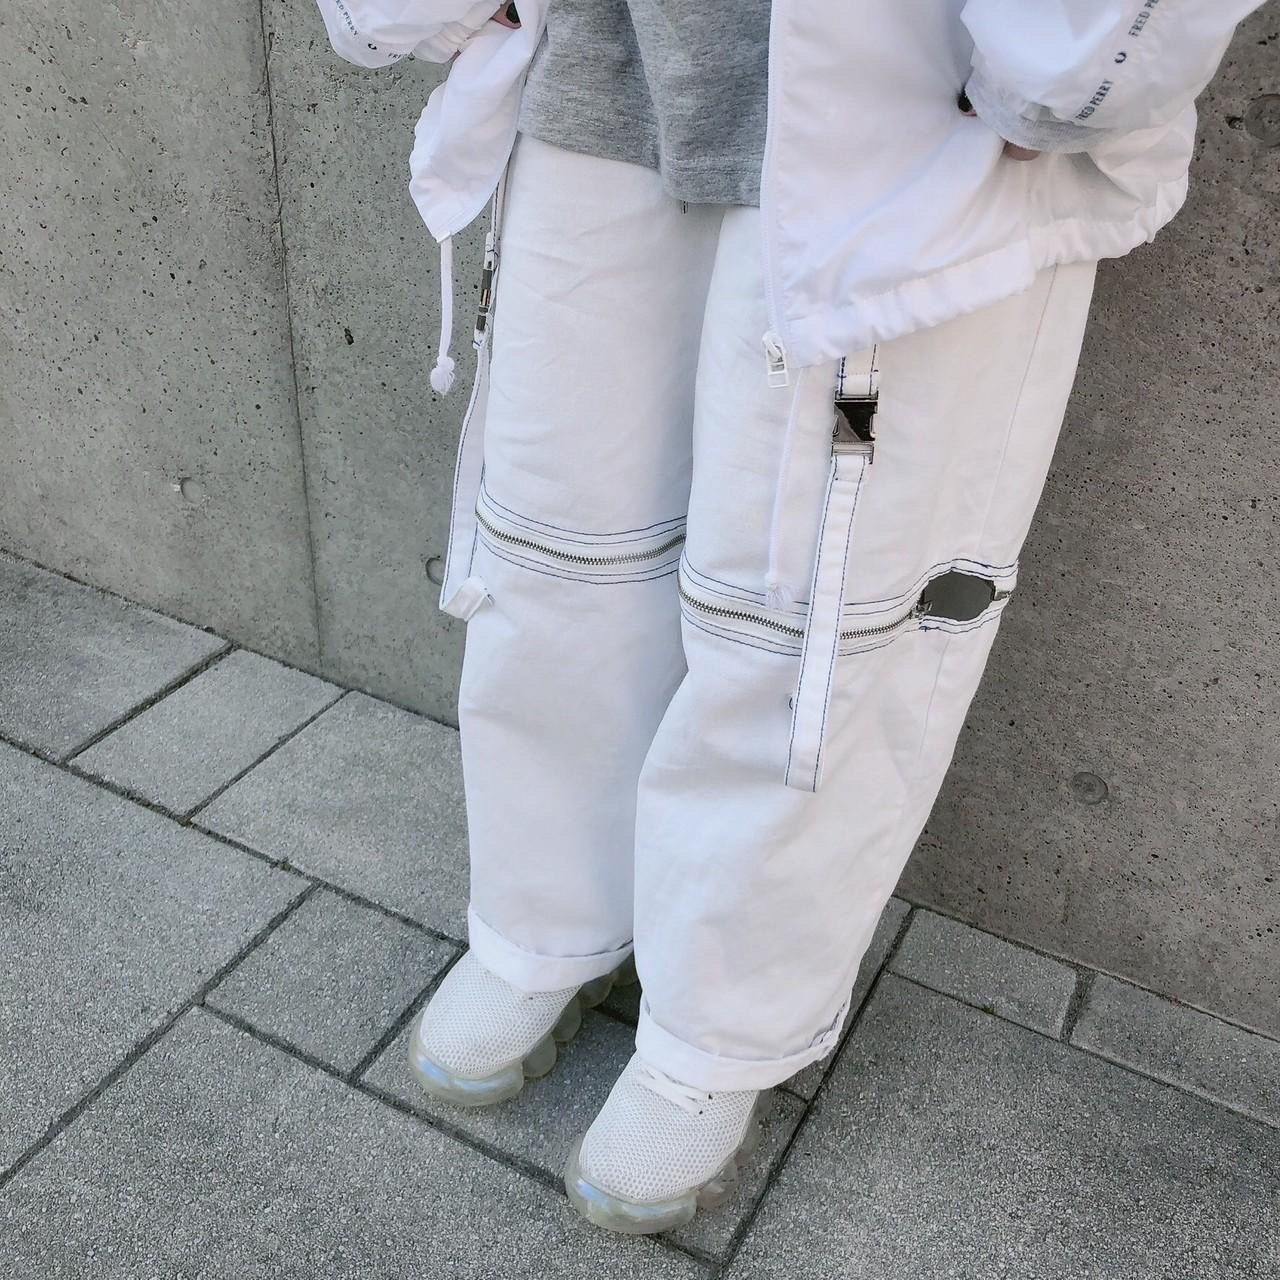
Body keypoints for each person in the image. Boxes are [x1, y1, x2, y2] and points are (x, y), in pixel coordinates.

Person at [315, 0, 1264, 1235]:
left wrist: (1071, 53)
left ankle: (712, 1028)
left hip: (905, 90)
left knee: (810, 607)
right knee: (561, 540)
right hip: (610, 50)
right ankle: (544, 922)